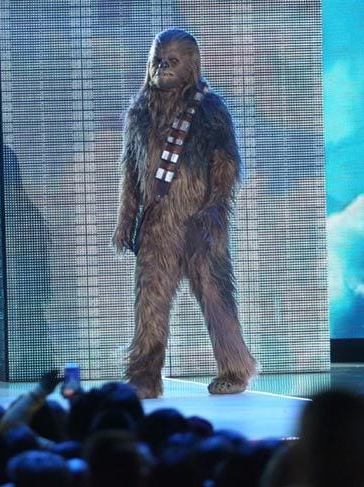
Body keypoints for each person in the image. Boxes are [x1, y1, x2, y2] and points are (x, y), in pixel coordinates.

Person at [112, 28, 257, 398]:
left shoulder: (209, 109)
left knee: (215, 296)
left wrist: (215, 209)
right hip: (157, 225)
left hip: (201, 222)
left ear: (191, 65)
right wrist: (125, 219)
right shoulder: (139, 111)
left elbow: (226, 165)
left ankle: (235, 369)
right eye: (158, 62)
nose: (163, 69)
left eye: (172, 62)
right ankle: (144, 376)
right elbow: (130, 171)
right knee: (149, 301)